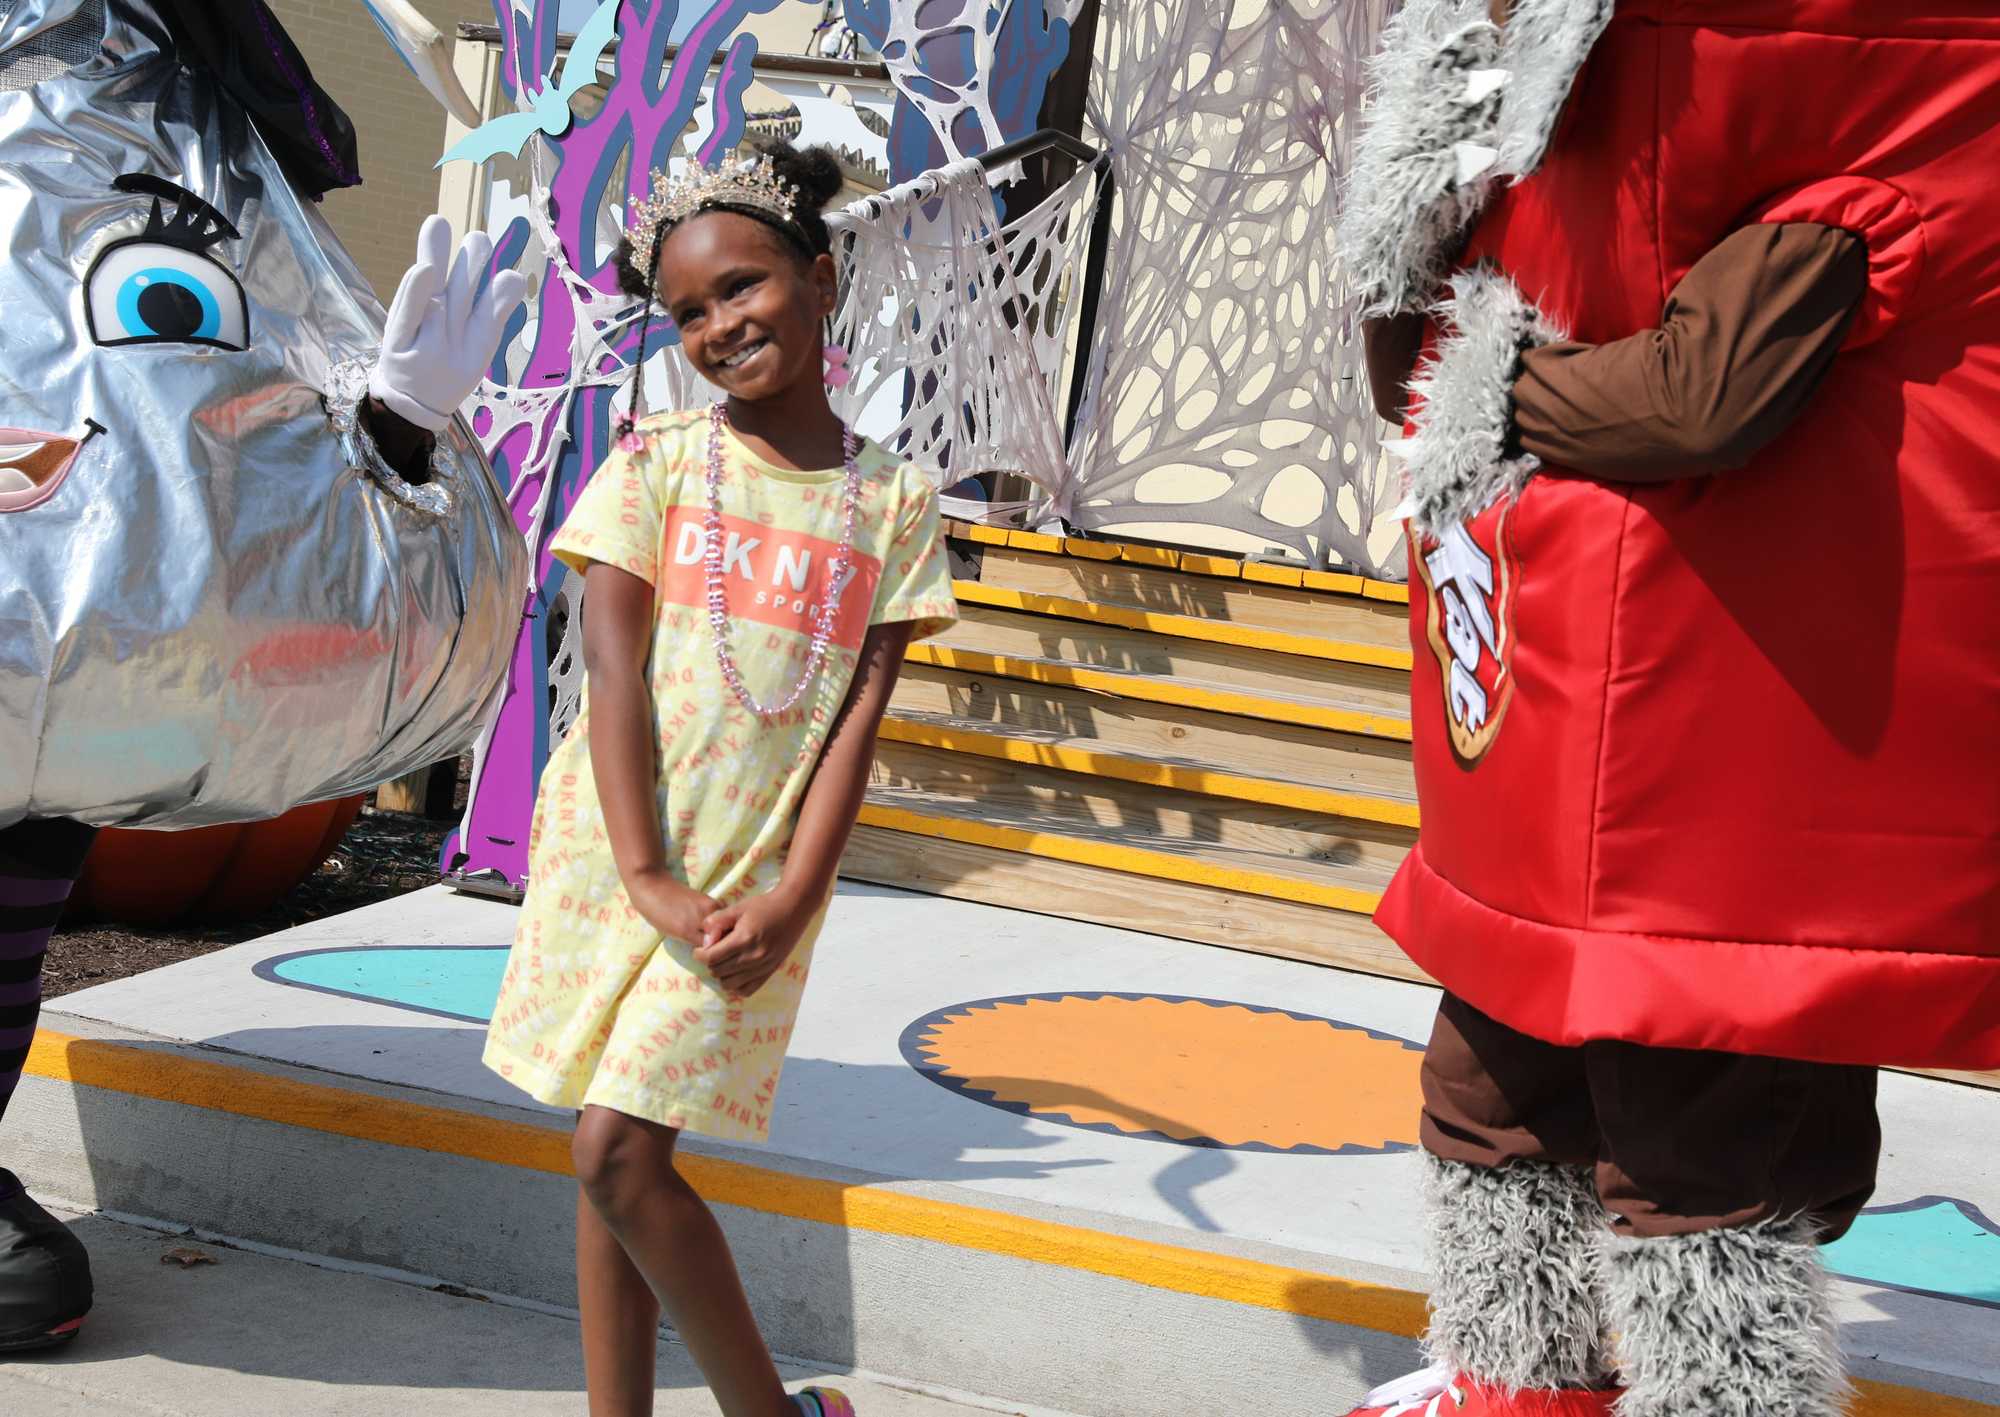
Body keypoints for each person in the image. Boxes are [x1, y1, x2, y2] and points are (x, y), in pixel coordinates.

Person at [1334, 1, 2000, 1414]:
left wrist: (1490, 385)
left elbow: (1700, 398)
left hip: (1707, 779)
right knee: (1494, 1083)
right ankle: (1516, 1375)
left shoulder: (1840, 176)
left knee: (1697, 1145)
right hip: (1551, 730)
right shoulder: (1561, 186)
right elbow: (1430, 343)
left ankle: (1720, 1398)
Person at [480, 142, 957, 1417]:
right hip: (621, 853)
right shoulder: (657, 462)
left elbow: (859, 711)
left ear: (818, 273)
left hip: (752, 871)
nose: (719, 326)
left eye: (741, 287)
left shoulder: (892, 502)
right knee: (611, 1149)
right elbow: (613, 672)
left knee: (621, 1151)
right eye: (688, 312)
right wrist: (640, 871)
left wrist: (800, 890)